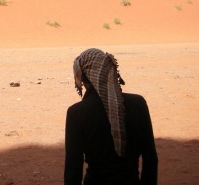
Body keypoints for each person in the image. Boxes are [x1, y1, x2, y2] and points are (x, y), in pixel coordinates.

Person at [64, 48, 158, 185]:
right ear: (111, 70)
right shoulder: (138, 104)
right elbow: (151, 160)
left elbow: (73, 170)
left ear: (83, 77)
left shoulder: (76, 113)